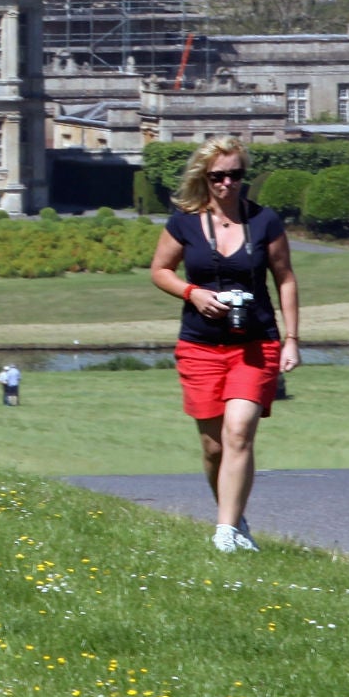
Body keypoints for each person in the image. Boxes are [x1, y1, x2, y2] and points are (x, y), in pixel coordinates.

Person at [148, 136, 300, 553]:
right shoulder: (184, 222)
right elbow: (160, 270)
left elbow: (284, 278)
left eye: (235, 175)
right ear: (205, 177)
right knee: (213, 447)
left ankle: (225, 533)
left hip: (255, 344)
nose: (227, 184)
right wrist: (192, 293)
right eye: (218, 176)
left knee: (238, 432)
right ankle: (235, 519)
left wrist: (292, 339)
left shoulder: (264, 221)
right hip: (200, 345)